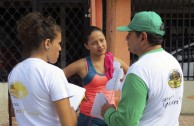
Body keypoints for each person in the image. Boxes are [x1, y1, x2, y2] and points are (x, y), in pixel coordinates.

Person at [101, 11, 184, 126]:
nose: (126, 38)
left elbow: (125, 123)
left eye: (130, 34)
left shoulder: (139, 70)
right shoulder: (173, 62)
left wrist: (107, 112)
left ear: (143, 37)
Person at [8, 12, 77, 126]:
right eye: (59, 43)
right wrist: (74, 113)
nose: (60, 48)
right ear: (47, 43)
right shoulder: (53, 73)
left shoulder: (14, 72)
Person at [63, 26, 129, 126]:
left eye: (102, 40)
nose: (100, 45)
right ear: (86, 46)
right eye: (94, 43)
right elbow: (57, 78)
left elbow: (134, 76)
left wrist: (123, 80)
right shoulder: (82, 65)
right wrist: (76, 95)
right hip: (88, 119)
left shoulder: (115, 62)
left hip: (110, 116)